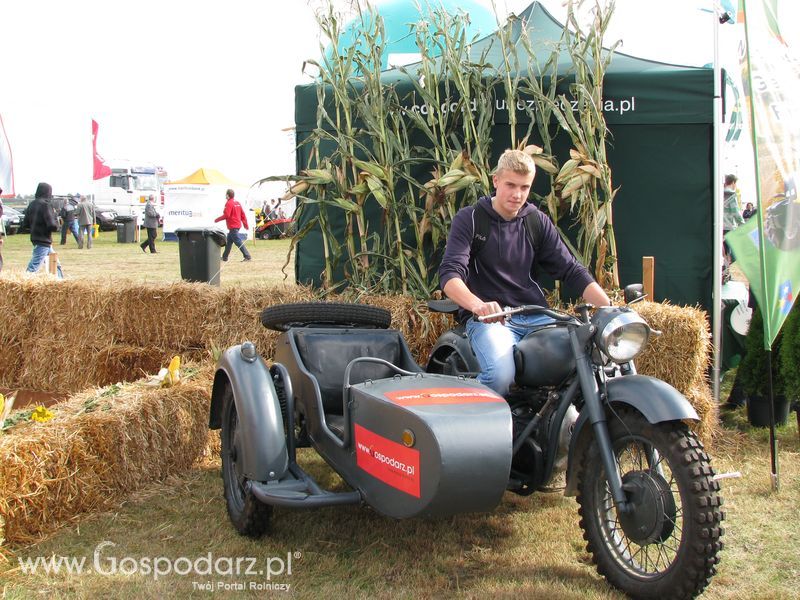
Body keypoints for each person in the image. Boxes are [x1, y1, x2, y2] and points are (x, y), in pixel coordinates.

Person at [438, 149, 611, 396]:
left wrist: (609, 308)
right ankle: (473, 414)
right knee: (500, 375)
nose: (517, 194)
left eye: (524, 187)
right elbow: (449, 274)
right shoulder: (471, 219)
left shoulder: (536, 221)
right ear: (496, 180)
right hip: (491, 321)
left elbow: (571, 269)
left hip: (536, 316)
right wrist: (479, 306)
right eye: (510, 185)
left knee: (594, 353)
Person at [21, 182, 60, 273]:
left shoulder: (31, 204)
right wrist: (56, 221)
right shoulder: (46, 205)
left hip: (36, 238)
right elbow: (52, 225)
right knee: (33, 267)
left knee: (56, 264)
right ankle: (26, 280)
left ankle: (59, 279)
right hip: (44, 239)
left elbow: (25, 225)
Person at [214, 189, 252, 262]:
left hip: (233, 226)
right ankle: (225, 257)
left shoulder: (229, 203)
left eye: (226, 194)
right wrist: (245, 224)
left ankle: (247, 256)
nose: (225, 195)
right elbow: (243, 214)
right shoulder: (237, 203)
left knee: (238, 241)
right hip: (237, 225)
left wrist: (217, 219)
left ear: (228, 195)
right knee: (229, 242)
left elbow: (227, 215)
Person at [723, 174, 745, 264]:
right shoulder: (731, 195)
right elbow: (735, 212)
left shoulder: (718, 193)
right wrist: (742, 223)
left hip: (719, 227)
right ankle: (730, 268)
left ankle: (724, 268)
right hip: (729, 226)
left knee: (723, 250)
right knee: (733, 251)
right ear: (733, 183)